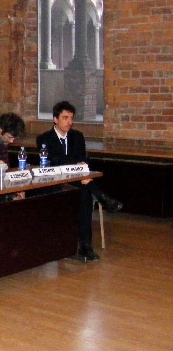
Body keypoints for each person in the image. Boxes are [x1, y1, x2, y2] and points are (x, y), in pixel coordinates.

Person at [37, 101, 123, 261]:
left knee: (85, 194)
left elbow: (83, 159)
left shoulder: (77, 136)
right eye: (65, 118)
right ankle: (102, 197)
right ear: (55, 119)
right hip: (55, 181)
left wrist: (79, 167)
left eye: (71, 118)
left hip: (78, 180)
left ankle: (85, 246)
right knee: (85, 188)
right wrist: (75, 166)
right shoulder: (44, 139)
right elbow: (54, 161)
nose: (69, 122)